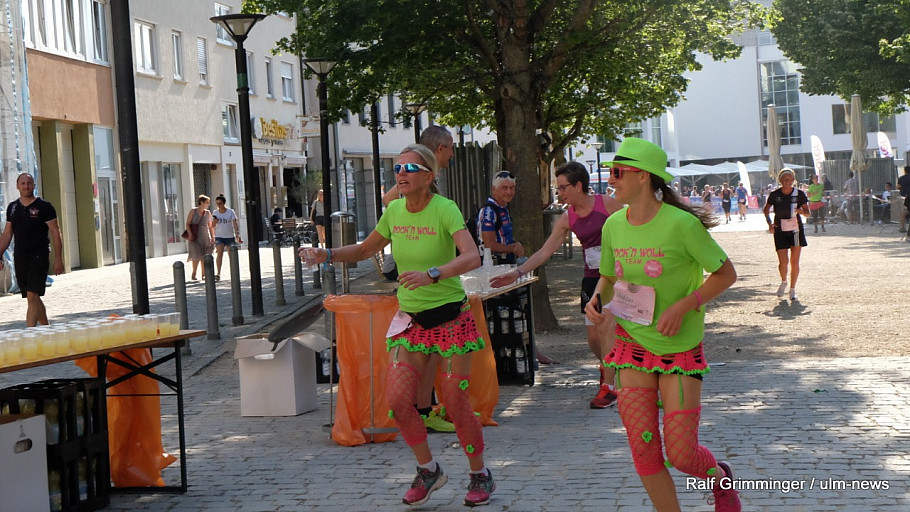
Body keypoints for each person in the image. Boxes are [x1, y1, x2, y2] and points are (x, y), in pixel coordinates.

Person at [299, 144, 495, 507]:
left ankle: (479, 474)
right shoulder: (394, 212)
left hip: (451, 321)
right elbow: (363, 250)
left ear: (429, 177)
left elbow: (471, 257)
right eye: (397, 168)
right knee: (399, 401)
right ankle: (428, 469)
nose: (401, 174)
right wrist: (326, 254)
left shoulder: (445, 209)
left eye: (410, 168)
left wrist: (433, 274)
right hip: (412, 324)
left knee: (455, 404)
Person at [583, 138, 740, 512]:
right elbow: (609, 275)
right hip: (632, 346)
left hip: (679, 349)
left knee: (682, 455)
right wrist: (596, 299)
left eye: (617, 172)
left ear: (642, 176)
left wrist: (685, 305)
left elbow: (726, 274)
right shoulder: (613, 225)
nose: (610, 179)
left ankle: (719, 477)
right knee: (643, 448)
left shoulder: (682, 225)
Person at [490, 162, 623, 408]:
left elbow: (633, 228)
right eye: (558, 188)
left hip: (617, 277)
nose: (559, 193)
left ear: (578, 186)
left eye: (563, 188)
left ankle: (610, 386)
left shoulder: (607, 204)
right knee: (594, 338)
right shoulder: (567, 217)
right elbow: (545, 251)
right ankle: (608, 367)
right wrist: (517, 273)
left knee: (607, 327)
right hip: (592, 279)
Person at [381, 126, 458, 434]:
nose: (452, 153)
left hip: (438, 292)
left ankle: (428, 411)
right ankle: (422, 412)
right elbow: (390, 200)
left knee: (432, 358)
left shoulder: (442, 203)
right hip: (413, 286)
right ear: (438, 150)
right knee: (420, 359)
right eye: (450, 147)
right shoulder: (413, 180)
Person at [0, 172, 65, 327]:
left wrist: (58, 259)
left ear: (34, 185)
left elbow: (56, 232)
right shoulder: (13, 207)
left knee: (32, 295)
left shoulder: (45, 207)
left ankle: (30, 333)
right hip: (20, 256)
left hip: (39, 255)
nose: (26, 186)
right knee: (33, 296)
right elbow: (7, 234)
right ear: (17, 186)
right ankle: (46, 329)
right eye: (22, 183)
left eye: (29, 183)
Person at [763, 168, 809, 300]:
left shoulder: (799, 194)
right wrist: (770, 223)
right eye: (784, 179)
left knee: (795, 261)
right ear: (780, 180)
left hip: (796, 230)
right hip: (780, 230)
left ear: (793, 180)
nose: (786, 182)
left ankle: (793, 289)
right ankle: (784, 281)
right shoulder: (775, 194)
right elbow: (766, 210)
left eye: (789, 179)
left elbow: (808, 213)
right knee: (783, 262)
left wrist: (801, 211)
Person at [477, 172, 524, 264]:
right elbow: (489, 245)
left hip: (505, 263)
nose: (509, 192)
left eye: (512, 188)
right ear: (494, 189)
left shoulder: (503, 208)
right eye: (504, 188)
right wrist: (514, 248)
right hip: (493, 265)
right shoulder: (489, 211)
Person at [212, 194, 242, 281]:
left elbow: (234, 223)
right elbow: (212, 225)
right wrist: (215, 221)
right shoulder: (215, 212)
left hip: (229, 236)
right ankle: (218, 273)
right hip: (219, 236)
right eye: (217, 204)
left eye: (220, 203)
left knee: (231, 254)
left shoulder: (230, 212)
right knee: (219, 254)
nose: (218, 205)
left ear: (224, 203)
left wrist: (237, 234)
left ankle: (234, 272)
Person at [185, 194, 215, 281]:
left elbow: (210, 226)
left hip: (205, 236)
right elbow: (188, 223)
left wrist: (212, 236)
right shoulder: (193, 211)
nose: (208, 204)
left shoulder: (208, 213)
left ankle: (203, 274)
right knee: (196, 255)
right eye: (207, 202)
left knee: (204, 256)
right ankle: (194, 273)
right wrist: (190, 234)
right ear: (201, 202)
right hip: (194, 236)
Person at [897, 166, 910, 231]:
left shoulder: (901, 178)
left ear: (905, 171)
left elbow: (898, 186)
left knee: (903, 213)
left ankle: (902, 227)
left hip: (903, 196)